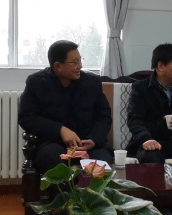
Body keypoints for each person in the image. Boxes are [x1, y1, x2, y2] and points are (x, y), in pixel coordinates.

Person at [18, 40, 114, 174]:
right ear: (58, 66)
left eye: (80, 60)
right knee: (52, 160)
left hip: (88, 143)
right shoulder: (37, 83)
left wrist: (93, 139)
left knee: (102, 165)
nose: (80, 66)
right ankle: (63, 189)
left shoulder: (92, 82)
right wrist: (59, 129)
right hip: (53, 143)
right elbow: (26, 118)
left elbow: (104, 116)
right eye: (75, 62)